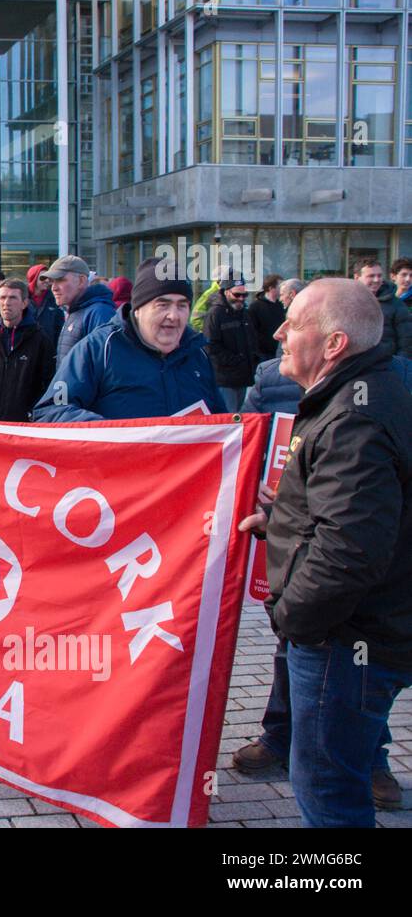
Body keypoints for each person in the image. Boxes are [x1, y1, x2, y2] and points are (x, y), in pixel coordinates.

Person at [236, 279, 412, 827]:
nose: (279, 332)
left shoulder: (353, 417)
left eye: (294, 323)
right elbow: (347, 514)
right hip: (354, 634)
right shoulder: (359, 395)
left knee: (329, 791)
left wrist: (294, 621)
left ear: (333, 344)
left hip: (343, 642)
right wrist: (280, 521)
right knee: (334, 777)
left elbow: (351, 550)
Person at [32, 259, 226, 422]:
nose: (173, 316)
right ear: (138, 309)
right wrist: (119, 436)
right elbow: (50, 411)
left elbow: (221, 421)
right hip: (117, 465)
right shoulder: (99, 349)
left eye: (182, 305)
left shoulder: (197, 353)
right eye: (163, 305)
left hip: (185, 467)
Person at [0, 278, 55, 423]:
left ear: (24, 303)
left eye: (12, 298)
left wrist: (32, 412)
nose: (6, 302)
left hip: (22, 425)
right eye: (2, 297)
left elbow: (47, 382)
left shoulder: (39, 340)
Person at [202, 273, 258, 412]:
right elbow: (210, 346)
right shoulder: (215, 314)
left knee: (238, 416)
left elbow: (251, 340)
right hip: (225, 378)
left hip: (243, 376)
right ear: (226, 292)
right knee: (229, 417)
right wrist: (235, 360)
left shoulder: (243, 312)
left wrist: (252, 359)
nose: (241, 299)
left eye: (244, 295)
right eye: (237, 295)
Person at [43, 255, 113, 362]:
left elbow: (107, 364)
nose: (54, 288)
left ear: (81, 281)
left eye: (60, 280)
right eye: (52, 281)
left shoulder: (99, 313)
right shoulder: (76, 311)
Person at [352, 257, 412, 358]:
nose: (376, 280)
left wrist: (399, 366)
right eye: (371, 276)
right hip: (352, 367)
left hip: (385, 367)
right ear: (357, 277)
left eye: (379, 276)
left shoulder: (396, 305)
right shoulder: (345, 302)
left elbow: (407, 342)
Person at [248, 274, 286, 362]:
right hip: (262, 353)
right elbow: (251, 330)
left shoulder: (281, 305)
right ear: (270, 288)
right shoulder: (255, 306)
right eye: (280, 286)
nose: (282, 289)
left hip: (280, 350)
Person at [25, 265, 64, 347]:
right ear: (33, 279)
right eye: (42, 278)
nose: (46, 280)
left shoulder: (54, 299)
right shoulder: (22, 298)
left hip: (48, 349)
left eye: (48, 278)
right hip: (26, 348)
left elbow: (59, 327)